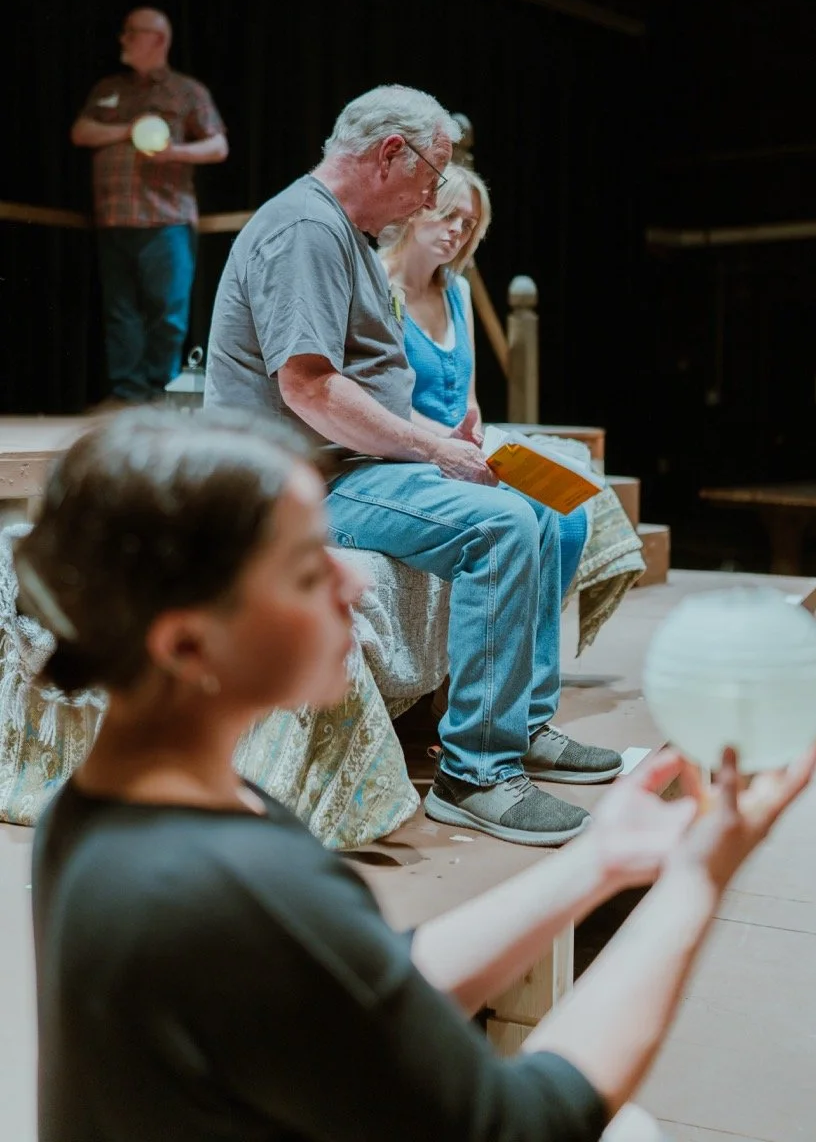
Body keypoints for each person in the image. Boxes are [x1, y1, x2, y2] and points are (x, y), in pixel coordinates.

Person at [18, 406, 816, 1142]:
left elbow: (362, 985)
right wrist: (696, 876)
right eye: (309, 570)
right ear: (187, 646)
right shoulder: (223, 890)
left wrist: (601, 860)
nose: (357, 580)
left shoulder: (103, 803)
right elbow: (520, 1126)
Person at [205, 83, 622, 848]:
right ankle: (474, 775)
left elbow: (363, 389)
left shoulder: (348, 238)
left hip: (347, 465)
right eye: (432, 173)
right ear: (388, 152)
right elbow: (307, 387)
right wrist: (434, 449)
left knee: (548, 505)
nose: (435, 193)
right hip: (289, 485)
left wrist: (443, 435)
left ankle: (520, 724)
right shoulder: (303, 228)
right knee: (498, 526)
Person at [380, 162, 588, 600]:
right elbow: (385, 398)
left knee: (571, 516)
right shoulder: (379, 283)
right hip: (411, 450)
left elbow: (468, 399)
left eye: (468, 223)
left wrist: (478, 441)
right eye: (448, 215)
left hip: (462, 446)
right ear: (419, 208)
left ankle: (527, 653)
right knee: (525, 513)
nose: (456, 230)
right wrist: (450, 445)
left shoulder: (458, 290)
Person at [71, 7, 228, 406]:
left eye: (131, 32)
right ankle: (126, 394)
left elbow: (217, 145)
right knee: (120, 312)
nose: (122, 39)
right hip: (113, 218)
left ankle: (160, 393)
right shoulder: (110, 88)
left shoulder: (186, 90)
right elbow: (81, 131)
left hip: (166, 219)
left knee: (167, 313)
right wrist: (130, 129)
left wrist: (173, 152)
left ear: (157, 40)